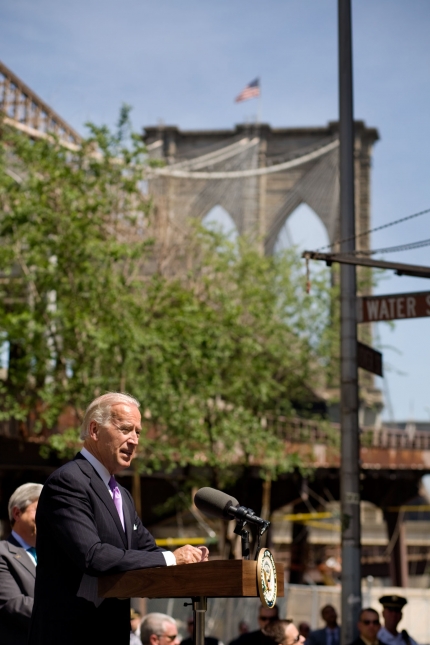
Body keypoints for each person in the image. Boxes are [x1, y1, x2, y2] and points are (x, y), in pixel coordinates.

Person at [28, 392, 208, 645]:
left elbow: (147, 550)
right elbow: (94, 556)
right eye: (125, 429)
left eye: (138, 432)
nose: (134, 440)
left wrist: (190, 561)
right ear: (94, 430)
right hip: (72, 635)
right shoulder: (68, 482)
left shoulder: (121, 494)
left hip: (110, 632)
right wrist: (171, 558)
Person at [0, 482, 42, 645]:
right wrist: (65, 610)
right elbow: (13, 604)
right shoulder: (3, 553)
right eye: (40, 510)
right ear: (17, 513)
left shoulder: (55, 557)